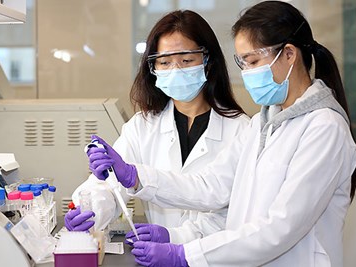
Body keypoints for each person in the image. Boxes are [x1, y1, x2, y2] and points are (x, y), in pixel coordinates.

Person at [87, 1, 356, 266]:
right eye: (242, 63)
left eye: (253, 61)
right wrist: (136, 176)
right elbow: (210, 187)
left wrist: (186, 255)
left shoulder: (324, 128)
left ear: (289, 54)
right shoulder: (262, 124)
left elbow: (280, 228)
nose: (247, 73)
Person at [64, 9, 250, 244]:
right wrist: (88, 210)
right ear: (153, 69)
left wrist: (176, 237)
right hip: (155, 258)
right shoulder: (142, 127)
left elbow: (236, 214)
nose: (175, 70)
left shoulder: (242, 130)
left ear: (208, 61)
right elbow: (108, 186)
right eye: (164, 62)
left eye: (186, 60)